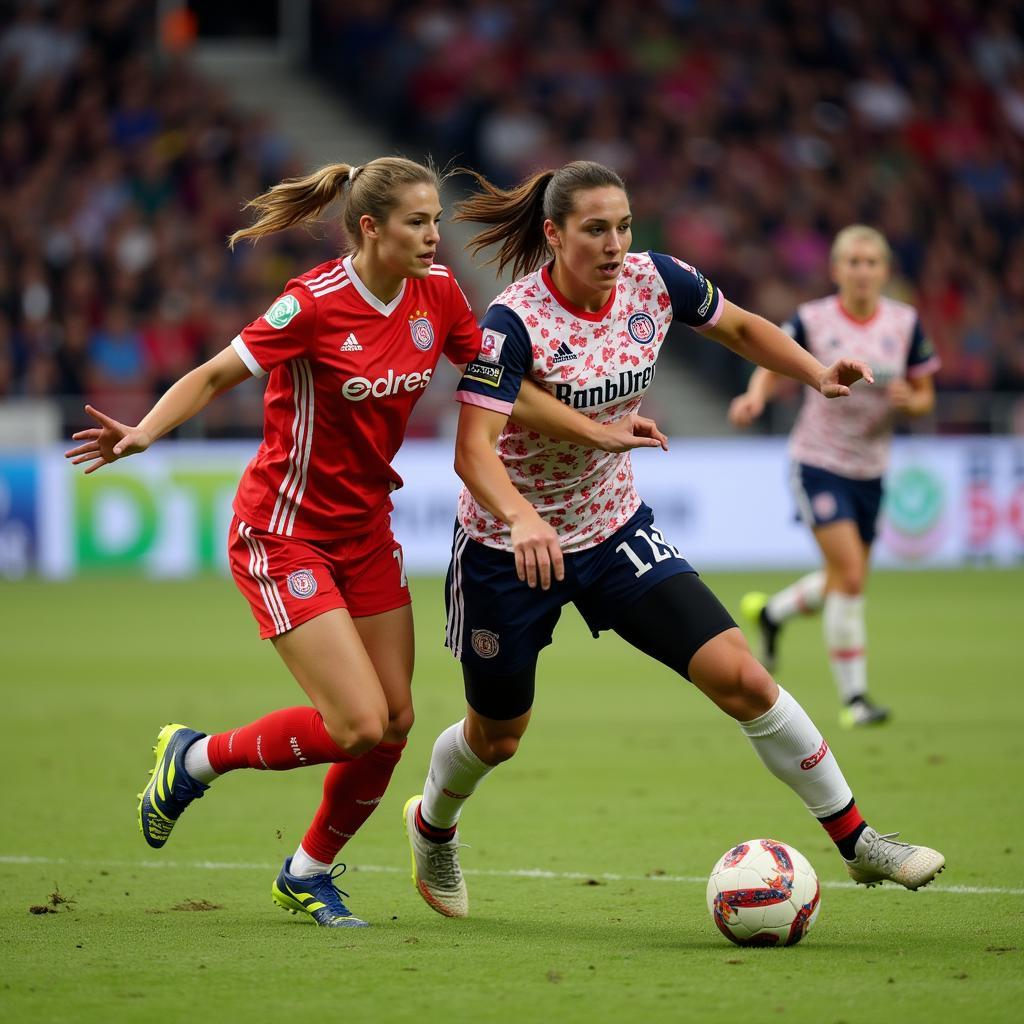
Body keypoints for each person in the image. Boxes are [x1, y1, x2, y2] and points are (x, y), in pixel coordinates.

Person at [65, 156, 662, 928]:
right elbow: (216, 376)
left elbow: (501, 394)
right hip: (284, 533)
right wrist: (144, 432)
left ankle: (307, 871)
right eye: (418, 222)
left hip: (366, 531)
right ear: (371, 228)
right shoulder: (310, 305)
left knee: (396, 722)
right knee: (355, 724)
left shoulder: (438, 296)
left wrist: (599, 432)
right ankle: (196, 758)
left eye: (437, 221)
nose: (433, 236)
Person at [401, 161, 944, 919]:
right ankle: (431, 826)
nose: (616, 243)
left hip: (614, 528)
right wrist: (524, 518)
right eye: (596, 228)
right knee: (498, 737)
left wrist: (817, 375)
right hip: (507, 547)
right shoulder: (513, 321)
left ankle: (859, 843)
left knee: (744, 678)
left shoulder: (657, 281)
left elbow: (743, 327)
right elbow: (472, 451)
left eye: (624, 225)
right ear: (554, 236)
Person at [728, 226, 940, 728]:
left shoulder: (904, 323)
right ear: (837, 269)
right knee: (849, 577)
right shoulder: (813, 319)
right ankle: (855, 700)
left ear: (885, 271)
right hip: (818, 461)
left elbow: (926, 391)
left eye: (872, 262)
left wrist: (915, 401)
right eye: (853, 262)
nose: (862, 271)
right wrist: (758, 395)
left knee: (846, 578)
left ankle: (773, 614)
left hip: (872, 467)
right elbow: (772, 357)